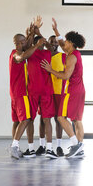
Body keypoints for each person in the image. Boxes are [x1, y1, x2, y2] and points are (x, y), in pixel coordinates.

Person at [40, 18, 85, 158]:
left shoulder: (71, 57)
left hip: (71, 91)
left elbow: (65, 76)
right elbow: (60, 43)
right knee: (77, 120)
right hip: (79, 90)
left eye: (66, 40)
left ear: (71, 43)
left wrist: (50, 69)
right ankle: (80, 148)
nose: (63, 43)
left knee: (60, 117)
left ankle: (75, 144)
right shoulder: (73, 53)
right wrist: (55, 30)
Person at [9, 21, 45, 159]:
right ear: (18, 44)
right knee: (27, 119)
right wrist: (37, 44)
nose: (26, 43)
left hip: (14, 94)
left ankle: (14, 146)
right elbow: (23, 56)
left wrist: (33, 31)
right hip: (20, 93)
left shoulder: (19, 49)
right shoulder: (16, 55)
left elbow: (26, 46)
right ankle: (14, 147)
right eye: (23, 42)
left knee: (17, 121)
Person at [25, 22, 57, 159]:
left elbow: (51, 46)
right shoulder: (30, 53)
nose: (43, 44)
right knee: (29, 119)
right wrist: (32, 33)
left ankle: (49, 149)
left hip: (45, 92)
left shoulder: (47, 52)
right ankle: (31, 148)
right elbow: (26, 45)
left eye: (43, 43)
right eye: (40, 43)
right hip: (32, 92)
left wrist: (39, 33)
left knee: (47, 120)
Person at [47, 35, 67, 157]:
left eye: (56, 42)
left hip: (59, 92)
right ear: (48, 44)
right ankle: (43, 146)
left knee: (58, 119)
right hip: (47, 92)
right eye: (51, 42)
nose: (54, 44)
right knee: (45, 120)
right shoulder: (45, 56)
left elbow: (66, 72)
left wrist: (54, 72)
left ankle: (59, 146)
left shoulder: (63, 56)